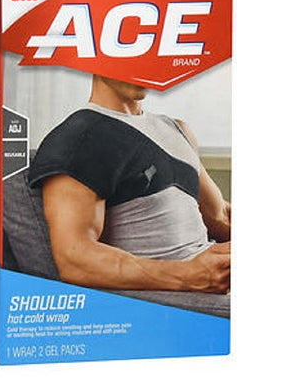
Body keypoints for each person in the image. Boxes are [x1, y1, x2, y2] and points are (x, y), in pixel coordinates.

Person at [28, 75, 230, 294]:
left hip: (219, 275)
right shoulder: (77, 139)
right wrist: (188, 275)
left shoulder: (176, 128)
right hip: (180, 295)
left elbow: (220, 217)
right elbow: (74, 258)